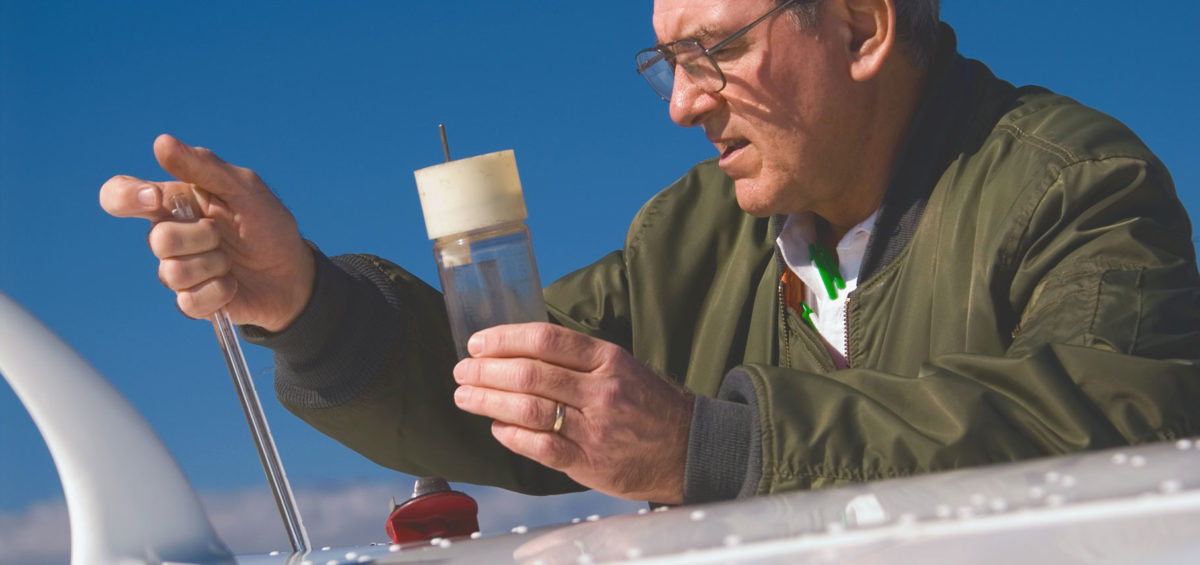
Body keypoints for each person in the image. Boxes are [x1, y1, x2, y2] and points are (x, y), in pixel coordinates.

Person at [100, 0, 1200, 506]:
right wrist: (304, 306)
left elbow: (1121, 419)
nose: (680, 104)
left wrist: (710, 450)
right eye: (665, 61)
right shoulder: (691, 232)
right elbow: (518, 393)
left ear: (863, 29)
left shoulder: (1070, 183)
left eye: (718, 50)